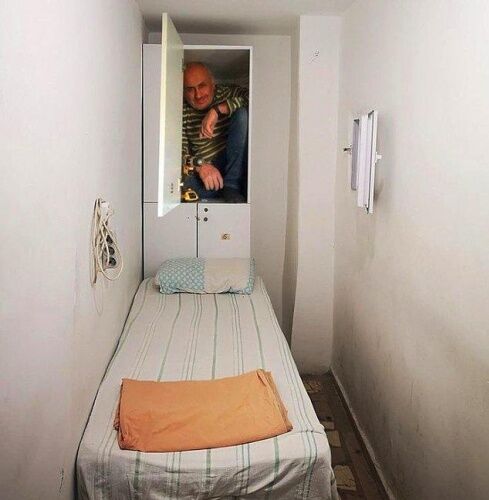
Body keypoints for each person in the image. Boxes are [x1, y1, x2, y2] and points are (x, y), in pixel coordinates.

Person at [182, 62, 248, 203]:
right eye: (190, 89)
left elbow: (258, 98)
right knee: (177, 185)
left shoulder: (228, 93)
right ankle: (226, 191)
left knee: (242, 114)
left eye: (202, 86)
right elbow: (177, 153)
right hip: (208, 174)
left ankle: (232, 186)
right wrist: (200, 166)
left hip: (236, 164)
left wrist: (218, 110)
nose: (198, 95)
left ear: (212, 83)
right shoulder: (181, 111)